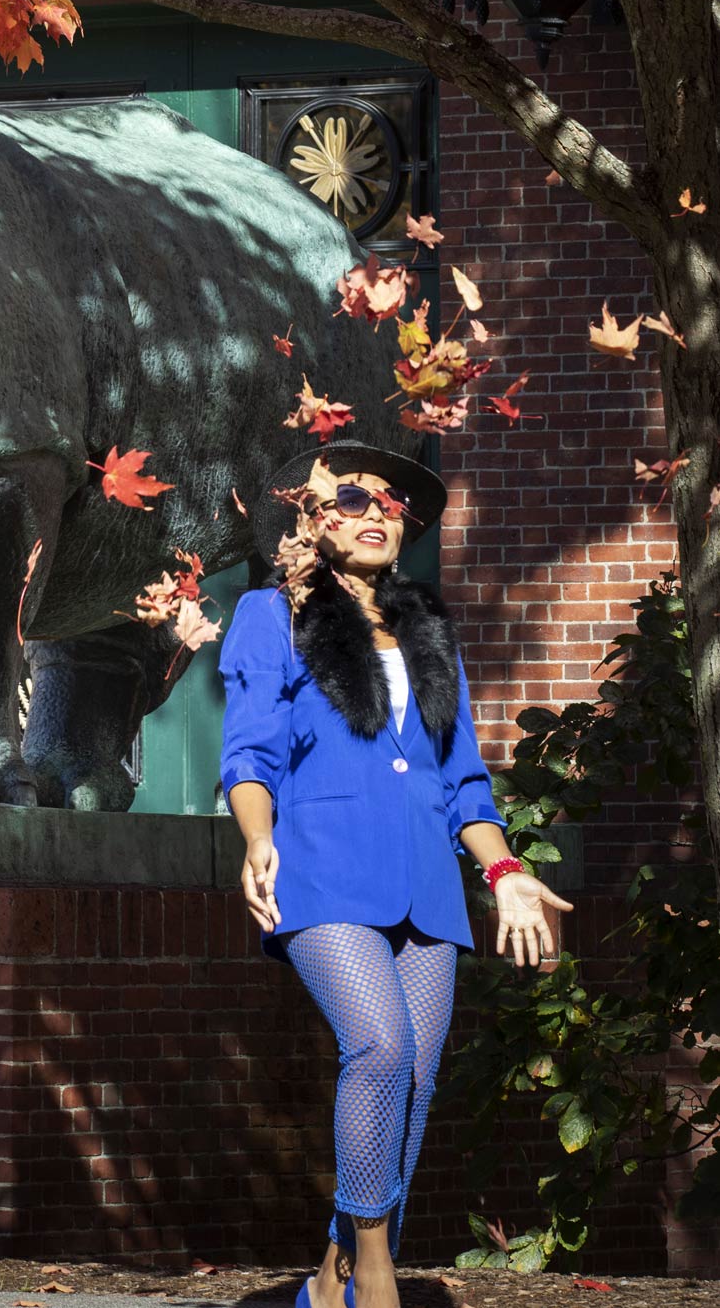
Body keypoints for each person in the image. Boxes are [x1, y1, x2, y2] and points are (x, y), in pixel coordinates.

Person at [219, 442, 572, 1308]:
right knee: (376, 1044)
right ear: (312, 516)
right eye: (350, 496)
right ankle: (373, 1269)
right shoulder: (272, 616)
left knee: (413, 1074)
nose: (376, 511)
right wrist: (256, 840)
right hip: (323, 872)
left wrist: (504, 874)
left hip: (426, 886)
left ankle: (330, 1273)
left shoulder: (426, 632)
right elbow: (249, 751)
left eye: (392, 504)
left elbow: (463, 783)